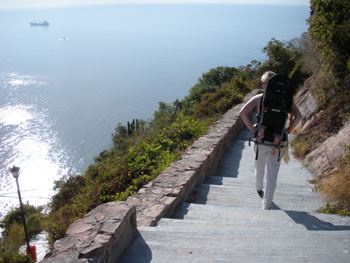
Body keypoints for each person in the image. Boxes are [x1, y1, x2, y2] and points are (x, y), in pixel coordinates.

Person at [239, 71, 303, 210]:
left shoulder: (259, 98)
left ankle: (258, 188)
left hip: (260, 139)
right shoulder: (287, 100)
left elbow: (242, 113)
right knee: (272, 175)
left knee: (259, 166)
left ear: (264, 84)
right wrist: (287, 130)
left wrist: (253, 130)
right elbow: (298, 117)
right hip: (277, 141)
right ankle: (266, 205)